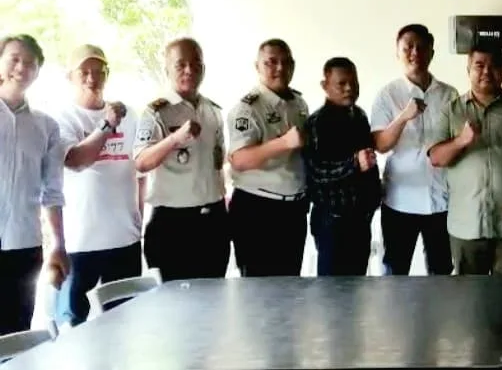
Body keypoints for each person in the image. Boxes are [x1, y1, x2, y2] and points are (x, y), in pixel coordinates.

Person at [427, 42, 502, 274]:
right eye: (479, 65)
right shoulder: (451, 111)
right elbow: (436, 158)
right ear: (468, 70)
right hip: (466, 222)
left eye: (494, 66)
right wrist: (461, 141)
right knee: (468, 292)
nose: (487, 72)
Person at [52, 45, 143, 328]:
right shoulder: (63, 118)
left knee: (126, 323)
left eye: (98, 71)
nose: (92, 78)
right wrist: (106, 125)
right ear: (70, 76)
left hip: (125, 240)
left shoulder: (130, 115)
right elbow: (76, 160)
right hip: (81, 243)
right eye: (84, 72)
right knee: (73, 327)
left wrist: (138, 217)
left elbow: (140, 168)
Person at [134, 38, 229, 282]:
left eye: (196, 64)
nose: (189, 70)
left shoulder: (213, 110)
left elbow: (218, 163)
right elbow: (141, 162)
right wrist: (174, 139)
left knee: (213, 296)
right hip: (172, 224)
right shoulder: (156, 112)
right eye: (181, 65)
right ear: (167, 69)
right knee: (173, 300)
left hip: (213, 221)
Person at [371, 24, 457, 275]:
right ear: (397, 53)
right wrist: (403, 117)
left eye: (421, 47)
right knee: (395, 273)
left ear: (431, 52)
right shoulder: (387, 95)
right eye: (408, 47)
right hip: (400, 200)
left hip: (441, 200)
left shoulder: (449, 94)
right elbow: (380, 144)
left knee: (441, 274)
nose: (415, 53)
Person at [0, 34, 69, 335]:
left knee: (17, 334)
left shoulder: (46, 126)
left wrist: (59, 244)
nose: (21, 67)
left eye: (30, 63)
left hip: (24, 246)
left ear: (38, 72)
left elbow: (52, 191)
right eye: (14, 59)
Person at [226, 39, 309, 277]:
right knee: (258, 289)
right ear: (257, 66)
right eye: (271, 62)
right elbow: (239, 160)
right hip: (258, 210)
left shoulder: (298, 102)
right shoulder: (247, 108)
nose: (280, 68)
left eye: (286, 62)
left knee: (290, 283)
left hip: (293, 210)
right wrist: (283, 143)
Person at [303, 57, 383, 276]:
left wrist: (374, 196)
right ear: (325, 86)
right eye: (341, 83)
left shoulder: (359, 116)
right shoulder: (318, 122)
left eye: (353, 83)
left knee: (358, 284)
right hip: (332, 221)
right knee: (331, 288)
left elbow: (369, 162)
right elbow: (317, 172)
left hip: (361, 218)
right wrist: (354, 163)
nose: (349, 88)